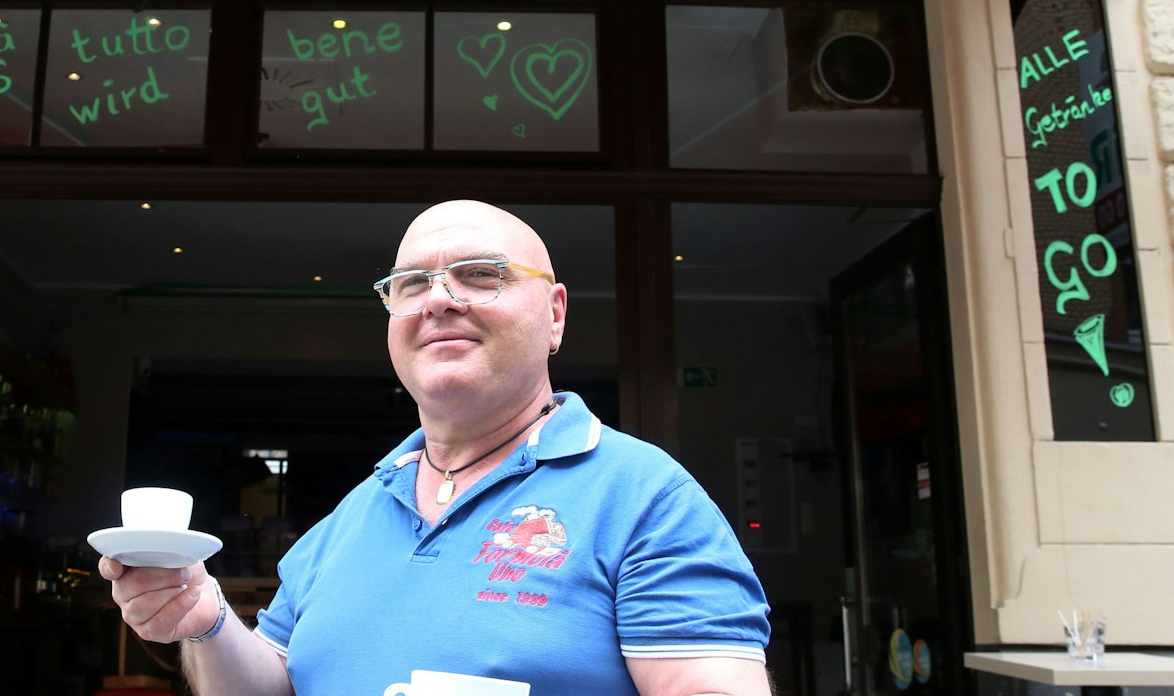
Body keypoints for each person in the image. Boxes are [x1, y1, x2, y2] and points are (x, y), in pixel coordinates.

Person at [102, 200, 773, 695]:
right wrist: (205, 619)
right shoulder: (353, 514)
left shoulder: (644, 496)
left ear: (556, 313)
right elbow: (273, 685)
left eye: (480, 273)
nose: (439, 299)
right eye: (412, 283)